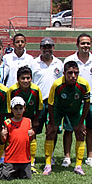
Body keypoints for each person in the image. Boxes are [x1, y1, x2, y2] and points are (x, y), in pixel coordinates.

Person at [43, 61, 90, 176]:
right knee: (51, 132)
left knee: (80, 133)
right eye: (70, 73)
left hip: (74, 110)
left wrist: (82, 122)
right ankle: (48, 164)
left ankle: (78, 166)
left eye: (76, 73)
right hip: (58, 109)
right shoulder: (57, 84)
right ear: (64, 73)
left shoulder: (84, 84)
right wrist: (52, 123)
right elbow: (51, 104)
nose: (73, 76)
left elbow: (87, 103)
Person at [63, 33, 92, 168]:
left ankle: (90, 157)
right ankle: (67, 157)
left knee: (90, 129)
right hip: (73, 101)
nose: (85, 46)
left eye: (88, 43)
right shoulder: (69, 60)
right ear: (77, 45)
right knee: (69, 129)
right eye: (83, 43)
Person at [31, 37, 63, 166]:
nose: (47, 49)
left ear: (53, 48)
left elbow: (62, 84)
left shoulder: (59, 64)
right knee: (34, 129)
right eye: (44, 47)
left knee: (52, 130)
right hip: (38, 102)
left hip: (54, 103)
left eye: (49, 47)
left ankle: (51, 155)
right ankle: (31, 156)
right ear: (40, 48)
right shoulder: (34, 63)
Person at [7, 66, 43, 173]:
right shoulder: (12, 89)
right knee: (14, 138)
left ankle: (31, 161)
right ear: (18, 79)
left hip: (31, 117)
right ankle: (12, 158)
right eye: (23, 78)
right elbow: (8, 107)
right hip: (16, 117)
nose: (26, 81)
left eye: (28, 78)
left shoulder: (36, 89)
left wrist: (36, 120)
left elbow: (40, 107)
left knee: (31, 136)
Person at [0, 96, 34, 180]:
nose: (18, 111)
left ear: (24, 108)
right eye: (15, 108)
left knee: (27, 177)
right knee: (5, 177)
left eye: (20, 108)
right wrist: (2, 135)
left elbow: (30, 139)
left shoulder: (28, 121)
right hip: (11, 158)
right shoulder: (7, 122)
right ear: (11, 109)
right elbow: (3, 141)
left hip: (25, 159)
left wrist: (32, 134)